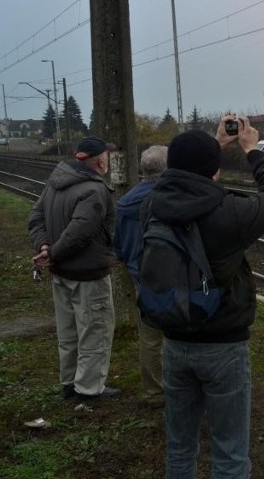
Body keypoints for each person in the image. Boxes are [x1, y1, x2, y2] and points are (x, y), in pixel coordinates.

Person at [147, 116, 264, 478]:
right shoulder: (229, 212)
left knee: (179, 447)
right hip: (223, 346)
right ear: (215, 171)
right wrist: (252, 150)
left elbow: (180, 176)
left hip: (174, 341)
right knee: (229, 454)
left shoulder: (152, 204)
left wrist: (210, 148)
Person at [28, 136, 119, 401]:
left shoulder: (55, 182)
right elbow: (80, 233)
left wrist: (45, 247)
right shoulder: (94, 190)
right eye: (107, 156)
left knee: (68, 332)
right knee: (95, 331)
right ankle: (89, 390)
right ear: (100, 160)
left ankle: (69, 382)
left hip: (61, 273)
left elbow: (35, 218)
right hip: (89, 275)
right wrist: (51, 253)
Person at [113, 145, 168, 402]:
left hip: (141, 276)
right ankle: (182, 387)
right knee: (179, 332)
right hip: (172, 274)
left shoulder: (124, 202)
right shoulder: (168, 197)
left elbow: (119, 245)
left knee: (149, 336)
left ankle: (153, 391)